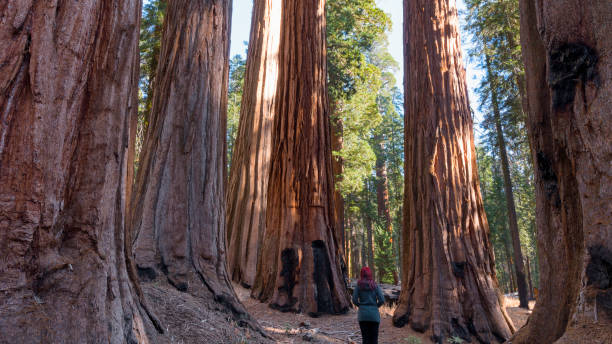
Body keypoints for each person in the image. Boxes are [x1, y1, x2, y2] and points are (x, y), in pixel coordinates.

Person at [352, 266, 385, 344]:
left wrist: (361, 305)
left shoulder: (358, 286)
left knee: (365, 339)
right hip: (374, 316)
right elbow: (382, 300)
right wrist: (375, 306)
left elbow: (354, 300)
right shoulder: (375, 285)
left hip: (363, 315)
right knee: (374, 340)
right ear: (370, 274)